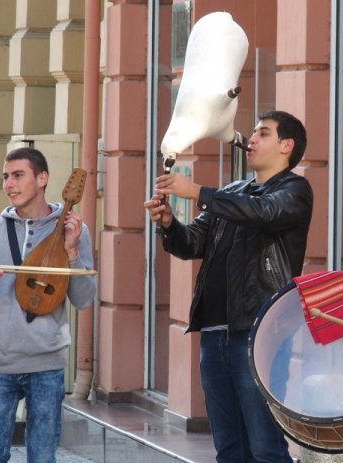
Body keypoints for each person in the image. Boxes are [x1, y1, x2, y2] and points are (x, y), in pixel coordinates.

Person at [145, 110, 313, 462]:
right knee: (229, 446)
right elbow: (190, 244)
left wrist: (198, 192)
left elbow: (265, 212)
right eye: (252, 133)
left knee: (265, 445)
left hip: (259, 335)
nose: (250, 140)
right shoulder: (234, 191)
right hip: (214, 334)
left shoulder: (295, 190)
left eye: (262, 134)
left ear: (286, 145)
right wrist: (168, 223)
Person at [0, 147, 97, 463]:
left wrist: (72, 252)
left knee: (42, 457)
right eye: (6, 177)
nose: (9, 184)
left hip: (47, 363)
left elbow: (84, 299)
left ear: (42, 178)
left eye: (18, 175)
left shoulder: (74, 230)